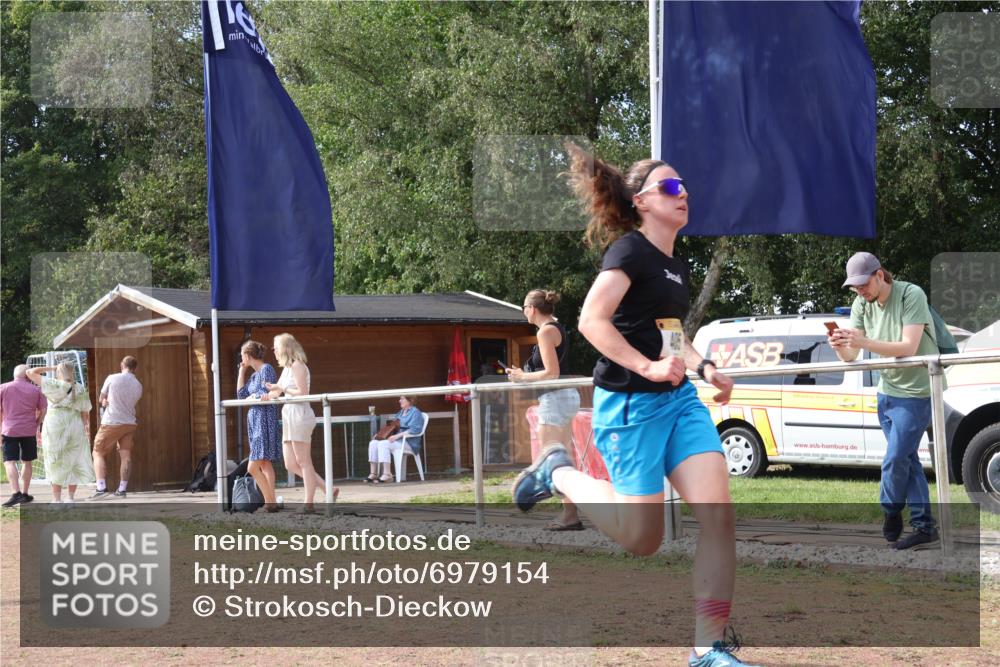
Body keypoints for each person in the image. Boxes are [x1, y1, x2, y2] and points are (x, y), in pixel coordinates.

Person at [512, 144, 759, 667]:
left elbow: (670, 334)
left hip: (680, 404)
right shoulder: (628, 252)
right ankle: (557, 470)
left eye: (684, 186)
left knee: (719, 518)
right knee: (642, 539)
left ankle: (706, 649)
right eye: (671, 187)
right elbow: (591, 321)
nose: (683, 193)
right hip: (630, 407)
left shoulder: (676, 265)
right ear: (642, 201)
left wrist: (704, 367)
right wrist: (646, 367)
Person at [830, 252, 941, 550]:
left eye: (862, 284)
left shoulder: (910, 294)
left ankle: (891, 511)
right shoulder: (860, 304)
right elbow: (852, 357)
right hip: (886, 391)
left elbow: (909, 346)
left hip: (916, 393)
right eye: (853, 287)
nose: (859, 291)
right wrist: (842, 346)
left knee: (894, 460)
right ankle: (924, 525)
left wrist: (862, 342)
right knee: (906, 460)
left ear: (880, 275)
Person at [508, 289, 583, 530]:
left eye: (524, 307)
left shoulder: (545, 331)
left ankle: (569, 514)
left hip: (555, 397)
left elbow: (552, 373)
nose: (523, 312)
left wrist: (522, 377)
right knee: (560, 457)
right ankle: (570, 513)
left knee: (554, 458)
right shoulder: (555, 327)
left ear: (532, 309)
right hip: (562, 396)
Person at [264, 333, 337, 511]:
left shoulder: (298, 365)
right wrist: (266, 396)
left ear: (285, 348)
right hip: (289, 414)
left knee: (303, 461)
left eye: (275, 348)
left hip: (300, 414)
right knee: (290, 463)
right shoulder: (287, 368)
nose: (274, 352)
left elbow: (303, 392)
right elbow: (278, 392)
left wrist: (281, 388)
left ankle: (308, 503)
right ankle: (328, 489)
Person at [26, 362, 95, 506]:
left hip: (55, 425)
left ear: (59, 372)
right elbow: (85, 412)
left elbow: (30, 372)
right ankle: (70, 498)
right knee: (74, 461)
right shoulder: (80, 387)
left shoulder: (54, 384)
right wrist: (84, 428)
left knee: (54, 460)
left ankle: (56, 499)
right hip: (74, 425)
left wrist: (51, 368)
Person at [236, 340, 281, 512]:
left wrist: (252, 397)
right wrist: (241, 371)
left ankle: (270, 501)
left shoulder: (266, 369)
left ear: (247, 355)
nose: (241, 359)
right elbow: (241, 395)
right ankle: (271, 502)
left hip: (264, 419)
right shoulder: (254, 376)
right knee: (264, 464)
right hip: (254, 420)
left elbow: (266, 392)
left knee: (253, 466)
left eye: (242, 356)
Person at [91, 355, 142, 499]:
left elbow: (102, 399)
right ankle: (122, 490)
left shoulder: (112, 378)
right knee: (126, 456)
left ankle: (101, 488)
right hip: (130, 423)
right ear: (134, 368)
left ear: (122, 365)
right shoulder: (138, 384)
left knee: (98, 452)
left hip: (112, 422)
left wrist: (105, 401)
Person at [1, 364, 47, 507]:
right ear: (27, 375)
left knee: (9, 461)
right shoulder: (36, 390)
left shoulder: (3, 387)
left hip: (10, 429)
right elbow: (43, 410)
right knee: (27, 461)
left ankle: (16, 494)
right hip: (29, 429)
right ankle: (25, 493)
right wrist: (37, 422)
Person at [367, 396, 426, 483]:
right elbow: (393, 427)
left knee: (383, 444)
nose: (399, 401)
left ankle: (388, 474)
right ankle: (373, 473)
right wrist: (380, 434)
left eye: (402, 399)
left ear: (410, 400)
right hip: (397, 441)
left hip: (408, 442)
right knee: (373, 443)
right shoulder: (400, 412)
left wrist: (397, 436)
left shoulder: (415, 413)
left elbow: (415, 429)